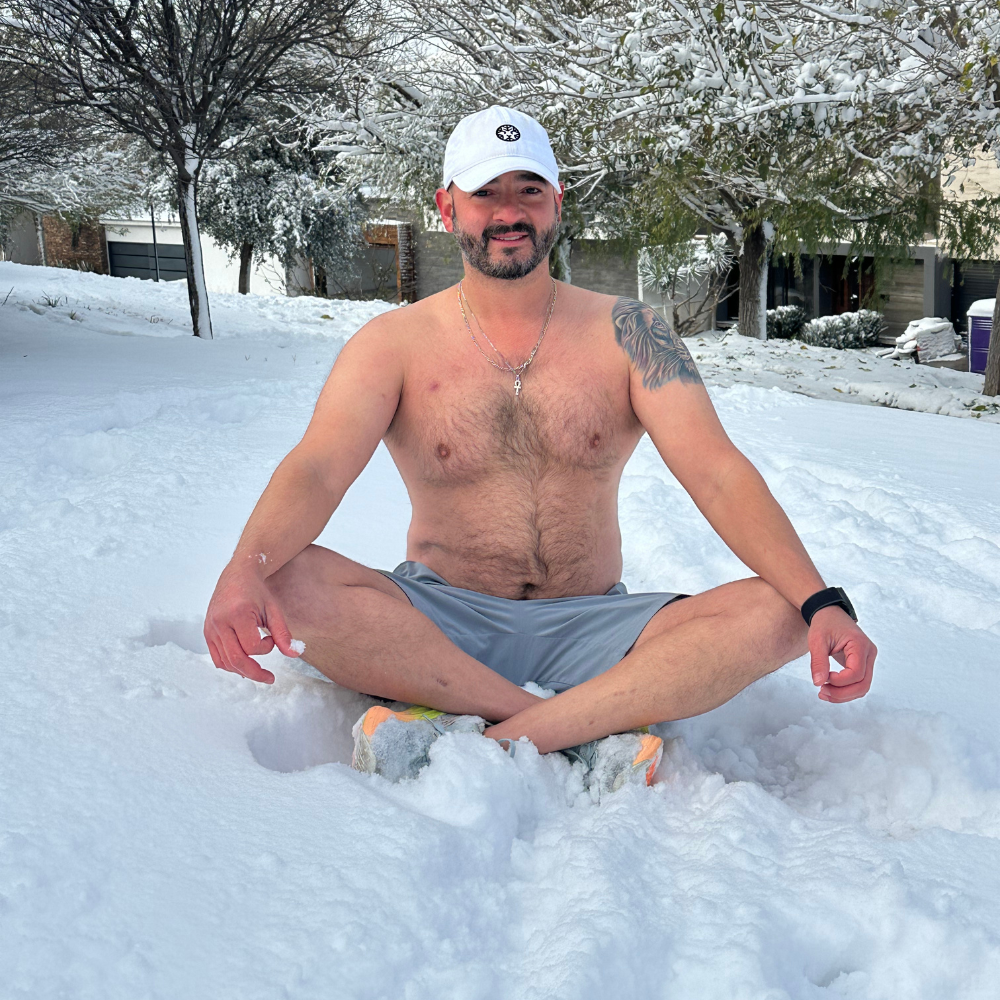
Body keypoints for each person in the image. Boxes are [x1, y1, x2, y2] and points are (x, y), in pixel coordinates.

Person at [204, 106, 877, 794]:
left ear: (558, 203)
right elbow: (317, 469)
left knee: (779, 611)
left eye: (528, 190)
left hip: (594, 625)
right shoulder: (391, 344)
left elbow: (717, 473)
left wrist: (822, 602)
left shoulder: (632, 332)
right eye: (485, 193)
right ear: (447, 207)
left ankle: (490, 730)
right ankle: (570, 727)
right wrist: (244, 570)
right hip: (439, 621)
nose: (508, 212)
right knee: (284, 580)